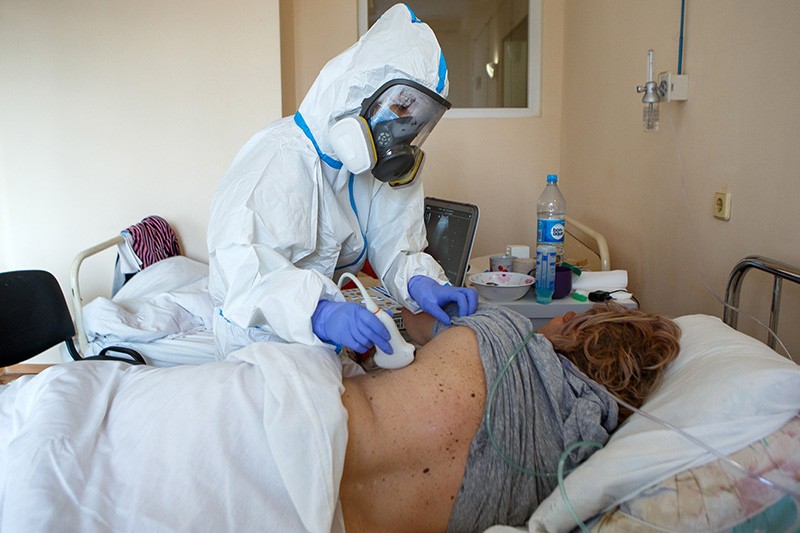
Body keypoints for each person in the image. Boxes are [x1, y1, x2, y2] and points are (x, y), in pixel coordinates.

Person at [0, 302, 680, 531]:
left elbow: (404, 327)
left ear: (574, 323)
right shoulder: (552, 471)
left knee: (70, 411)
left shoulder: (500, 332)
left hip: (259, 423)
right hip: (291, 517)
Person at [206, 3, 477, 359]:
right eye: (399, 110)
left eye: (415, 121)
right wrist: (319, 311)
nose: (401, 132)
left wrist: (420, 280)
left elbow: (396, 246)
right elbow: (242, 271)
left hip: (318, 344)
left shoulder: (373, 168)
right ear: (356, 91)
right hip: (256, 341)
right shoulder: (279, 158)